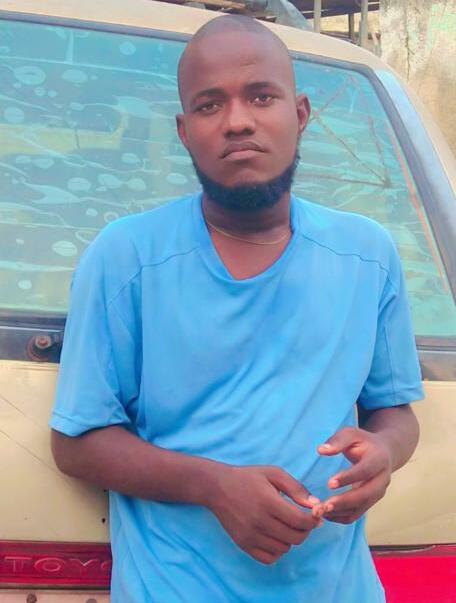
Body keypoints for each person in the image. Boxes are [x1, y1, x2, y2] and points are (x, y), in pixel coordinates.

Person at [50, 14, 423, 603]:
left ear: (300, 114)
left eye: (261, 96)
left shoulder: (367, 255)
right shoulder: (127, 258)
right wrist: (214, 486)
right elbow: (77, 440)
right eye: (209, 105)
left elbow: (395, 411)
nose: (238, 121)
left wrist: (383, 453)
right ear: (184, 131)